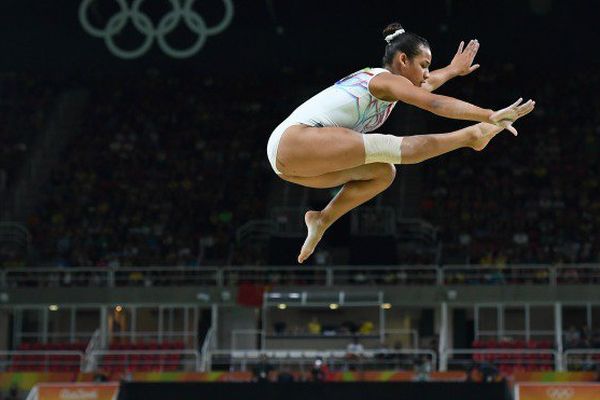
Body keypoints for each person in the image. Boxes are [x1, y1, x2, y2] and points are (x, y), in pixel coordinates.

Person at [266, 22, 535, 263]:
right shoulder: (381, 80)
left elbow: (427, 87)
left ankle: (322, 219)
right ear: (403, 60)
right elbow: (434, 102)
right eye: (424, 65)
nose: (427, 74)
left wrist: (453, 70)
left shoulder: (392, 88)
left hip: (295, 167)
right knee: (389, 147)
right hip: (293, 141)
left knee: (383, 172)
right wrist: (488, 114)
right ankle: (472, 137)